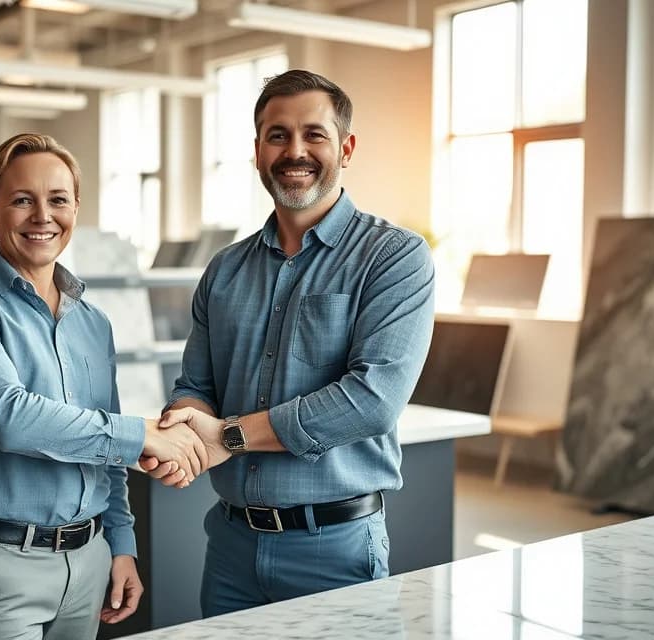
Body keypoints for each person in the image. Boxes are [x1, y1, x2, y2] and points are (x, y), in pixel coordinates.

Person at [142, 69, 436, 615]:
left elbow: (372, 400)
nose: (294, 151)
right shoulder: (224, 269)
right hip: (230, 547)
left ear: (346, 148)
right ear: (257, 150)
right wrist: (187, 431)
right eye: (278, 135)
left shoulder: (394, 257)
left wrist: (227, 437)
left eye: (313, 134)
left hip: (335, 550)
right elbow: (196, 386)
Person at [0, 132, 206, 640]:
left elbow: (105, 456)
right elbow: (11, 419)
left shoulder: (93, 323)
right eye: (21, 200)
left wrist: (121, 545)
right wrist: (143, 434)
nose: (42, 216)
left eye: (57, 200)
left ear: (75, 209)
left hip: (89, 563)